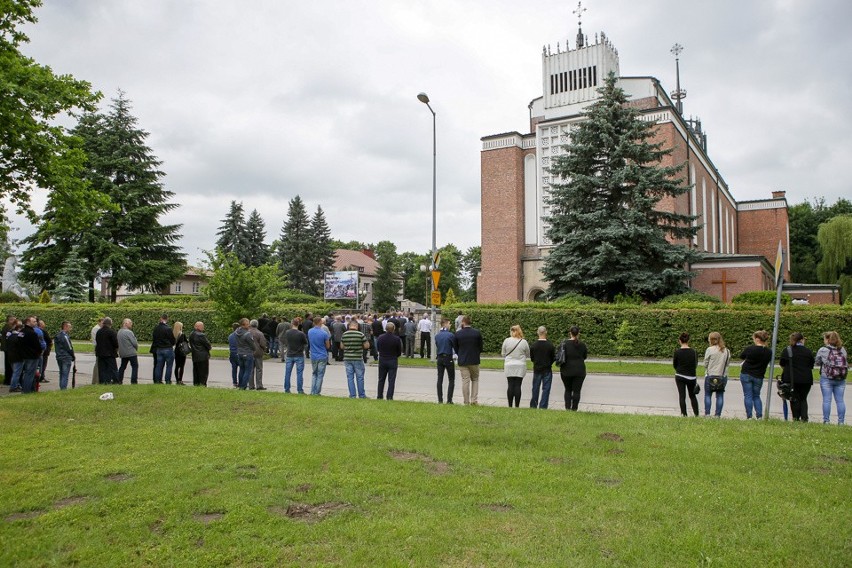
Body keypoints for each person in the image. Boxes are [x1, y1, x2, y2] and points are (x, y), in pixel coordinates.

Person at [780, 332, 816, 422]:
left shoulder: (787, 350)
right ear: (802, 340)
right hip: (806, 379)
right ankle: (804, 418)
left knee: (794, 398)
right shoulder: (807, 351)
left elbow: (782, 363)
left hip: (791, 379)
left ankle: (795, 418)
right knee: (803, 398)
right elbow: (811, 364)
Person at [738, 330, 772, 419]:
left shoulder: (750, 349)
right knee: (756, 395)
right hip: (759, 375)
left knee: (748, 395)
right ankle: (759, 416)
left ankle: (749, 416)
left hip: (746, 373)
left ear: (757, 339)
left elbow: (742, 356)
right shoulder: (769, 351)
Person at [815, 330, 846, 425]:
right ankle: (841, 422)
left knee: (827, 400)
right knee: (840, 400)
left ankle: (826, 421)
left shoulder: (823, 350)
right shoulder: (842, 350)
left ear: (828, 340)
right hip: (841, 378)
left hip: (827, 378)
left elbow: (817, 362)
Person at [455, 316, 484, 406]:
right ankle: (474, 400)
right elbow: (481, 347)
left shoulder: (458, 334)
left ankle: (466, 401)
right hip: (474, 360)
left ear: (463, 323)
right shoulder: (477, 333)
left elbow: (456, 348)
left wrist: (460, 354)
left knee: (465, 381)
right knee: (475, 379)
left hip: (463, 360)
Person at [559, 326, 588, 411]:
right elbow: (584, 356)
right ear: (579, 334)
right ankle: (574, 408)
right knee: (577, 391)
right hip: (580, 370)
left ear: (570, 333)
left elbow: (560, 355)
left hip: (566, 370)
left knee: (568, 390)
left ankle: (567, 408)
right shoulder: (582, 345)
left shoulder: (564, 344)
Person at [703, 331, 731, 417]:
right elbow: (727, 363)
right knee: (720, 395)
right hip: (722, 375)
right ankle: (717, 414)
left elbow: (705, 363)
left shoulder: (710, 350)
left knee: (708, 395)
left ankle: (707, 413)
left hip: (710, 375)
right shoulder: (726, 351)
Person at [501, 325, 530, 407]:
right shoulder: (523, 342)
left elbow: (503, 353)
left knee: (510, 385)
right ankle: (517, 405)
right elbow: (528, 354)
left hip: (509, 365)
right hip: (520, 365)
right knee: (518, 385)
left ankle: (510, 405)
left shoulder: (506, 341)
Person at [673, 332, 699, 417]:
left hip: (680, 375)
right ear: (688, 340)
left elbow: (675, 364)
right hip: (691, 376)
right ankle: (696, 414)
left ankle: (684, 414)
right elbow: (695, 364)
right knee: (692, 396)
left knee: (682, 396)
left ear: (679, 341)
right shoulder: (694, 352)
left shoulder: (677, 352)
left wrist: (679, 370)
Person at [341, 320, 369, 398]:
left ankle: (352, 395)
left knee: (350, 377)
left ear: (349, 326)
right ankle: (361, 395)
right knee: (360, 377)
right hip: (357, 358)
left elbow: (342, 346)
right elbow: (366, 346)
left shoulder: (344, 334)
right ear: (356, 326)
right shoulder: (360, 334)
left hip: (347, 358)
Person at [529, 326, 555, 409]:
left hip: (537, 369)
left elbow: (532, 358)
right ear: (546, 332)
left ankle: (533, 404)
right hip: (547, 369)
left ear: (538, 333)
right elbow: (553, 358)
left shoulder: (534, 345)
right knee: (546, 389)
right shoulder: (550, 345)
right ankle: (543, 406)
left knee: (535, 388)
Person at [376, 321, 402, 400]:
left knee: (381, 379)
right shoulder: (397, 339)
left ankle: (379, 395)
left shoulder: (380, 337)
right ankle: (389, 396)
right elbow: (399, 351)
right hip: (392, 359)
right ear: (393, 329)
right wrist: (396, 355)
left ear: (385, 329)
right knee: (391, 380)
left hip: (383, 359)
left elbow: (378, 348)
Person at [282, 319, 307, 394]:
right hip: (299, 354)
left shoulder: (287, 332)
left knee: (287, 373)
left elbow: (285, 341)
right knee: (299, 373)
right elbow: (305, 343)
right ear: (298, 324)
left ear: (291, 324)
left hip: (289, 354)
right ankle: (300, 390)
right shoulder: (301, 334)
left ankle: (287, 389)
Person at [307, 316, 330, 394]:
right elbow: (328, 346)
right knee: (320, 374)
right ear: (320, 322)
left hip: (313, 355)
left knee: (314, 373)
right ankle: (317, 392)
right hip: (322, 355)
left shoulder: (310, 331)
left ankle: (312, 391)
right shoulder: (324, 333)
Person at [19, 316, 42, 394]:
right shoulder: (32, 333)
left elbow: (18, 343)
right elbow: (37, 345)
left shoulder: (22, 332)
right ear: (28, 322)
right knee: (30, 374)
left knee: (26, 373)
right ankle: (26, 391)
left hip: (24, 355)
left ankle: (28, 389)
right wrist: (39, 352)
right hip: (32, 356)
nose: (35, 323)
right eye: (34, 321)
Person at [434, 318, 455, 404]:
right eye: (449, 324)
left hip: (439, 358)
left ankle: (440, 400)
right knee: (451, 379)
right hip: (448, 357)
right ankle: (449, 400)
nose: (450, 325)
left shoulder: (437, 335)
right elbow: (454, 345)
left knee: (440, 378)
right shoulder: (450, 335)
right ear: (445, 324)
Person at [152, 314, 176, 384]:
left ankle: (157, 380)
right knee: (169, 366)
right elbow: (172, 339)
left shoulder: (156, 328)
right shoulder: (168, 329)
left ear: (161, 318)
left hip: (159, 349)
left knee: (158, 366)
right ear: (167, 319)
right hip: (167, 348)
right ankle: (167, 380)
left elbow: (154, 338)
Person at [95, 317, 119, 385]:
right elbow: (116, 343)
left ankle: (103, 381)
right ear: (110, 324)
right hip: (109, 353)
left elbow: (97, 341)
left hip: (100, 353)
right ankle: (116, 381)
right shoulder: (111, 332)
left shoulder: (99, 332)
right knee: (113, 368)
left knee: (102, 369)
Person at [234, 318, 256, 390]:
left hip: (240, 352)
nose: (249, 325)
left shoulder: (236, 332)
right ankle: (243, 386)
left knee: (242, 369)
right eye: (248, 324)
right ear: (244, 325)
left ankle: (240, 385)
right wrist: (254, 349)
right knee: (247, 370)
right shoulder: (247, 334)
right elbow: (252, 345)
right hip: (247, 353)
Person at [189, 321, 212, 386]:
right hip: (202, 355)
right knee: (203, 371)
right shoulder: (201, 335)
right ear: (198, 327)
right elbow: (208, 344)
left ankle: (196, 383)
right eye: (202, 326)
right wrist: (209, 347)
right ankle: (202, 384)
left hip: (195, 355)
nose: (203, 327)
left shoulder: (191, 334)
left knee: (196, 371)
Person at [54, 321, 75, 390]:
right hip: (66, 357)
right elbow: (69, 347)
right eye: (69, 327)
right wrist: (73, 355)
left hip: (59, 356)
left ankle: (62, 387)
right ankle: (63, 389)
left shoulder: (57, 335)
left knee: (61, 373)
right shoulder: (65, 336)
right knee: (65, 374)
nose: (70, 328)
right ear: (65, 327)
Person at [117, 318, 139, 384]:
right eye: (130, 323)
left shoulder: (119, 332)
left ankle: (119, 380)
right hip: (131, 352)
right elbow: (134, 343)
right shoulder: (129, 332)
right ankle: (133, 381)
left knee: (122, 367)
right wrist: (136, 348)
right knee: (135, 366)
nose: (131, 324)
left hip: (123, 353)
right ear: (125, 323)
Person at [248, 319, 268, 390]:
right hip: (258, 353)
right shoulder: (259, 333)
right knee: (259, 369)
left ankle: (251, 385)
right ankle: (259, 385)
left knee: (250, 369)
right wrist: (264, 349)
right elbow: (263, 344)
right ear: (257, 325)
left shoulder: (247, 332)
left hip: (249, 353)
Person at [37, 319, 52, 384]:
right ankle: (41, 376)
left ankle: (40, 376)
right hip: (44, 351)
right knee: (43, 364)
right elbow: (49, 340)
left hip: (41, 350)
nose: (44, 324)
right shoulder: (43, 331)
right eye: (43, 323)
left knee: (40, 364)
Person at [90, 317, 103, 384]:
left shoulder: (98, 328)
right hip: (98, 347)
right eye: (102, 322)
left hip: (98, 347)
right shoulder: (96, 329)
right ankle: (96, 380)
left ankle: (97, 379)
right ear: (99, 322)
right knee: (98, 364)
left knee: (99, 364)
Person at [227, 322, 240, 387]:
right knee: (242, 368)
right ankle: (241, 381)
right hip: (238, 353)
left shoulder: (230, 336)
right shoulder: (239, 336)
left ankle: (234, 382)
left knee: (234, 369)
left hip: (232, 353)